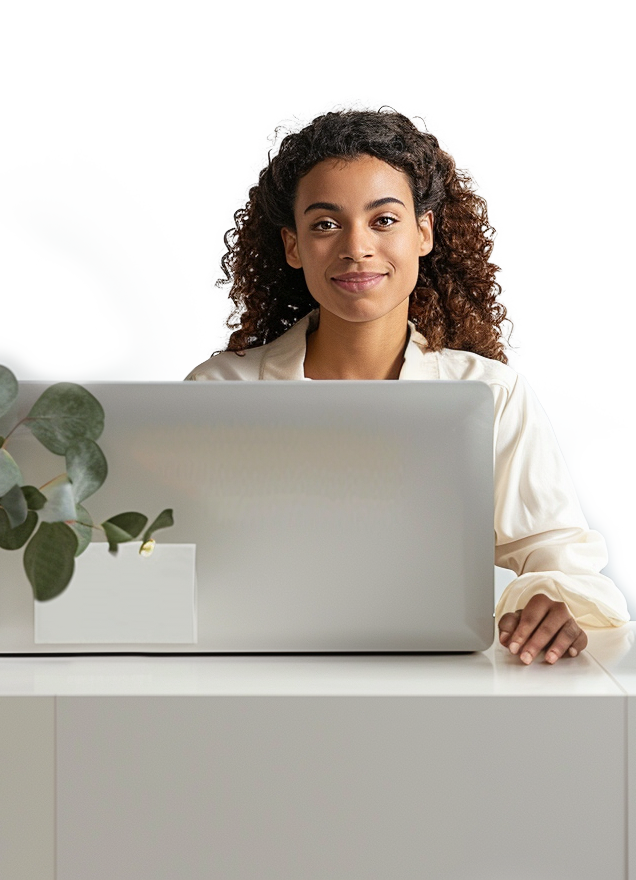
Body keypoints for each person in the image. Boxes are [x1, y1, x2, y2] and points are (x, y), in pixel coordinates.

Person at [186, 105, 630, 664]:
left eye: (384, 219)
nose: (355, 246)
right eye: (325, 223)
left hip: (435, 680)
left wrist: (551, 602)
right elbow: (169, 551)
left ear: (424, 232)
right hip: (251, 671)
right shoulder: (219, 392)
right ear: (293, 245)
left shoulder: (491, 395)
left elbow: (558, 556)